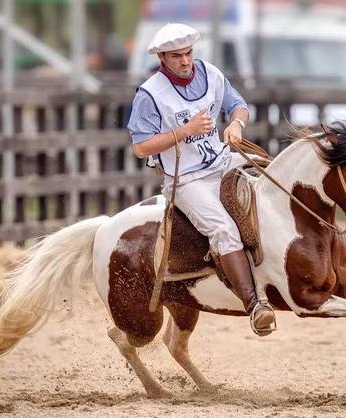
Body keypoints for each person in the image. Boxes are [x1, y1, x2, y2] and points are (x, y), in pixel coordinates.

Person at [127, 23, 275, 335]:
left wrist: (236, 125)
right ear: (163, 58)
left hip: (222, 161)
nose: (185, 61)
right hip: (186, 179)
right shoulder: (150, 94)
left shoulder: (211, 73)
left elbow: (239, 106)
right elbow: (140, 147)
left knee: (272, 173)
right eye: (177, 56)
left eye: (189, 53)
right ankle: (255, 305)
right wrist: (184, 131)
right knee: (222, 228)